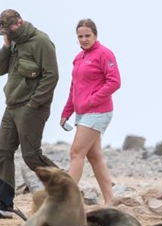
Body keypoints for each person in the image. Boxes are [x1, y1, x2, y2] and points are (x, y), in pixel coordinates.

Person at [0, 9, 60, 220]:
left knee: (31, 155)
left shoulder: (41, 42)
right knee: (2, 151)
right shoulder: (12, 42)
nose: (9, 34)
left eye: (10, 30)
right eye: (5, 31)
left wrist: (34, 104)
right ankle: (4, 206)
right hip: (12, 105)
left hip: (31, 107)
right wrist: (6, 45)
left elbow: (51, 76)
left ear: (20, 23)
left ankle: (65, 191)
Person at [60, 19, 121, 206]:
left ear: (95, 35)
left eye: (87, 36)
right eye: (80, 36)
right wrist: (66, 112)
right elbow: (74, 87)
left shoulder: (104, 54)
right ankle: (110, 201)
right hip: (82, 113)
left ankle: (65, 201)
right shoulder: (79, 58)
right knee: (94, 157)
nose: (84, 39)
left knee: (76, 152)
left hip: (98, 111)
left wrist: (92, 100)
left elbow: (115, 82)